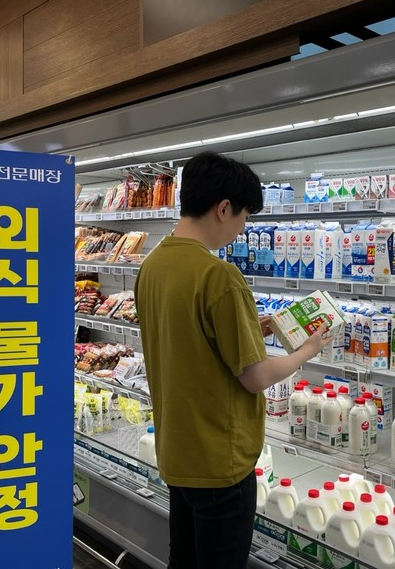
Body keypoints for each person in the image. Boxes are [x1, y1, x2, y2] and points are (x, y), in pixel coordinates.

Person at [134, 151, 332, 569]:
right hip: (219, 462)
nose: (242, 229)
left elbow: (188, 335)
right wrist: (307, 350)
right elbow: (255, 377)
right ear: (223, 208)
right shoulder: (219, 276)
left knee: (183, 561)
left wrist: (248, 327)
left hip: (177, 453)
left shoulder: (153, 264)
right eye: (244, 217)